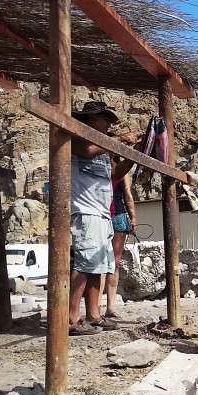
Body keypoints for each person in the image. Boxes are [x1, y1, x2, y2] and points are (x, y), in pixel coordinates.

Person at [68, 101, 136, 335]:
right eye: (104, 119)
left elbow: (115, 173)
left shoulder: (104, 148)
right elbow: (86, 150)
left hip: (102, 212)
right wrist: (117, 140)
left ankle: (94, 315)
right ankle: (71, 318)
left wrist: (132, 157)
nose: (108, 124)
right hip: (86, 210)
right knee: (85, 263)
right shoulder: (76, 137)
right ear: (89, 120)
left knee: (99, 265)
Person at [103, 153, 137, 319]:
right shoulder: (96, 165)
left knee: (113, 264)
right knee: (99, 264)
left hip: (118, 217)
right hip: (100, 216)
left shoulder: (122, 170)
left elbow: (127, 195)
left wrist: (133, 218)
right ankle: (95, 308)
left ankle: (110, 307)